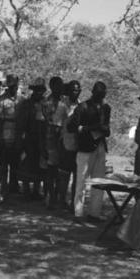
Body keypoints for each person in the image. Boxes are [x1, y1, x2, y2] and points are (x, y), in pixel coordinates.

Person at [67, 81, 111, 223]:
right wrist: (89, 128)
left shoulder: (106, 108)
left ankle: (94, 213)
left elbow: (107, 129)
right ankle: (78, 212)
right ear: (93, 92)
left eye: (103, 94)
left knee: (99, 182)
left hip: (100, 146)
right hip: (85, 147)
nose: (101, 96)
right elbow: (71, 126)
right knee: (81, 181)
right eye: (99, 93)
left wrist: (103, 129)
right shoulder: (83, 107)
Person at [17, 77, 48, 201]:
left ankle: (36, 190)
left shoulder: (46, 104)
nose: (39, 92)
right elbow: (21, 122)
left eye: (41, 90)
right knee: (26, 163)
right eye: (37, 90)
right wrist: (22, 139)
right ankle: (26, 191)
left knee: (39, 165)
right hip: (29, 137)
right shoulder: (26, 104)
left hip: (42, 138)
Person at [41, 76, 70, 209]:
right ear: (52, 87)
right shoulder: (48, 102)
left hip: (62, 138)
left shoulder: (64, 101)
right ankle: (50, 197)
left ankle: (59, 197)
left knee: (60, 170)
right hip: (51, 138)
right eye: (58, 85)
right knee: (51, 170)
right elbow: (47, 122)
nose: (60, 88)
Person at [0, 74, 24, 194]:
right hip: (5, 134)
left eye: (15, 86)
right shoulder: (1, 100)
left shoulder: (22, 99)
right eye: (11, 86)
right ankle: (1, 187)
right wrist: (0, 137)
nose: (13, 88)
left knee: (15, 163)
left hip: (18, 135)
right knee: (3, 164)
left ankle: (13, 187)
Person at [58, 80, 82, 211]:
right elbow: (57, 124)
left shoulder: (81, 105)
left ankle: (74, 202)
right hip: (65, 143)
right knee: (64, 175)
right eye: (73, 90)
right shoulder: (63, 105)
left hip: (78, 145)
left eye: (78, 90)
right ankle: (61, 201)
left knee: (77, 175)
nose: (76, 92)